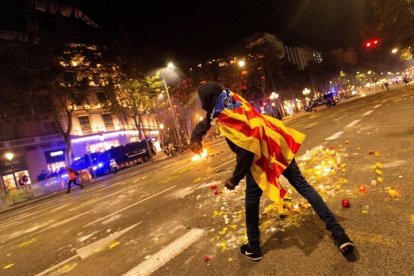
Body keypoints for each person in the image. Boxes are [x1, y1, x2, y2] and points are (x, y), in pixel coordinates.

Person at [190, 82, 355, 261]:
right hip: (275, 143)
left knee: (252, 199)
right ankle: (339, 235)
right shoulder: (229, 100)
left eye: (202, 100)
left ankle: (253, 247)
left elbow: (247, 150)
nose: (201, 104)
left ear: (208, 99)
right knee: (303, 186)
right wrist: (196, 137)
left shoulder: (227, 116)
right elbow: (207, 121)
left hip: (261, 155)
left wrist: (235, 178)